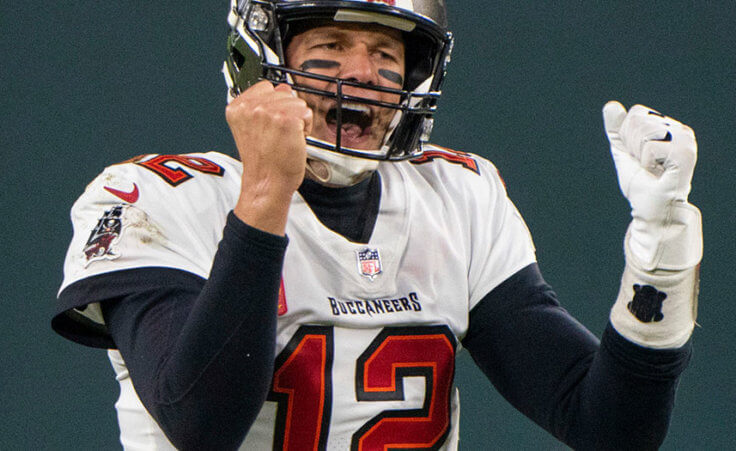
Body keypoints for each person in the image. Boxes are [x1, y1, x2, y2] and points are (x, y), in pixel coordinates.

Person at [52, 0, 702, 449]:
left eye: (387, 52)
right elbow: (200, 424)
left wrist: (662, 250)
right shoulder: (157, 198)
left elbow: (607, 426)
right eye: (332, 44)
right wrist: (267, 192)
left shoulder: (457, 195)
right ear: (260, 57)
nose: (363, 72)